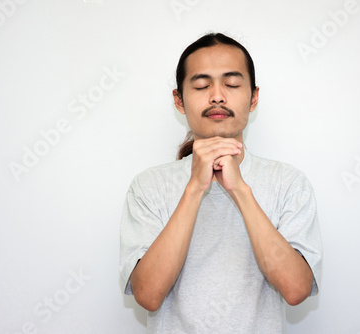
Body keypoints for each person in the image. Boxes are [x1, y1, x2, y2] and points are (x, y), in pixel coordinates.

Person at [120, 32, 322, 333]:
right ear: (179, 100)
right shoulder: (148, 186)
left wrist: (239, 190)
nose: (217, 96)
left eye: (232, 84)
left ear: (253, 97)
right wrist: (194, 189)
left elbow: (296, 290)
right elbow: (148, 295)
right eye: (201, 85)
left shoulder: (288, 182)